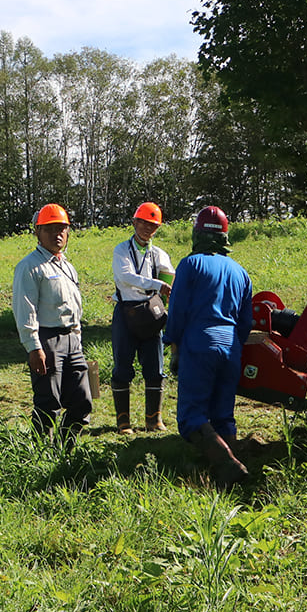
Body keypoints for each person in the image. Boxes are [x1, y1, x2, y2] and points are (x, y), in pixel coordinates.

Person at [163, 206, 251, 486]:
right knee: (223, 414)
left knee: (191, 416)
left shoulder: (191, 265)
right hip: (231, 347)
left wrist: (174, 346)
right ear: (225, 236)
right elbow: (246, 321)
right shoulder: (241, 272)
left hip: (200, 343)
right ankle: (228, 474)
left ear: (197, 233)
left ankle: (228, 466)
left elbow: (176, 312)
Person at [12, 203, 92, 443]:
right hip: (46, 340)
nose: (58, 234)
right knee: (48, 402)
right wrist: (34, 347)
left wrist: (77, 336)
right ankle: (41, 453)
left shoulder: (67, 267)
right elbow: (25, 308)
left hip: (71, 339)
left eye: (62, 229)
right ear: (38, 231)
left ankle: (65, 449)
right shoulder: (30, 266)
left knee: (82, 401)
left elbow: (73, 306)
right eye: (50, 229)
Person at [110, 202, 175, 434]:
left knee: (155, 367)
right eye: (144, 223)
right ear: (134, 222)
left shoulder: (159, 254)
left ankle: (153, 420)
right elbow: (126, 277)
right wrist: (158, 284)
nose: (148, 228)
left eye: (153, 225)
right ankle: (123, 422)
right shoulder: (121, 250)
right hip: (125, 312)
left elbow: (171, 277)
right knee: (122, 367)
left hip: (151, 314)